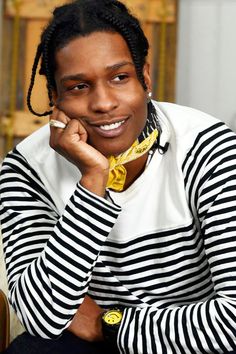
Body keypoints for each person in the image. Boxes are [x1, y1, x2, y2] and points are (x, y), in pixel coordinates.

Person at [1, 0, 236, 353]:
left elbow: (231, 320)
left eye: (119, 77)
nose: (104, 103)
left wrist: (109, 326)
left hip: (194, 344)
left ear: (145, 77)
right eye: (78, 86)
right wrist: (93, 180)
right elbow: (43, 319)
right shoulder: (26, 169)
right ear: (55, 98)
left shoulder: (210, 147)